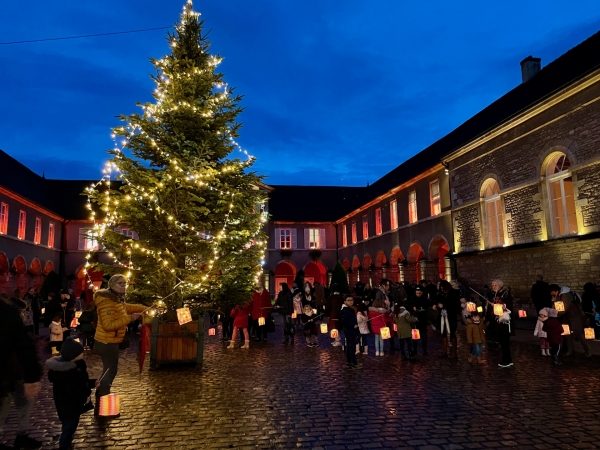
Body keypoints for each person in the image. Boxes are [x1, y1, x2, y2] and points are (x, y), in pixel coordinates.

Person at [93, 274, 146, 415]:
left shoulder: (116, 299)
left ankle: (101, 399)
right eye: (120, 283)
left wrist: (144, 308)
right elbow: (108, 325)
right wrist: (129, 319)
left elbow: (127, 307)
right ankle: (103, 401)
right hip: (106, 342)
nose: (123, 286)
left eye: (124, 283)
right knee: (110, 371)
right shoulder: (107, 302)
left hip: (112, 341)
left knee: (110, 370)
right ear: (112, 285)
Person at [0, 295, 43, 450]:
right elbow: (24, 345)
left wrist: (31, 376)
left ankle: (22, 435)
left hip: (15, 373)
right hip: (9, 374)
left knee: (23, 403)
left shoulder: (8, 314)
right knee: (4, 405)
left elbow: (25, 346)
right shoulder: (8, 315)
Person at [46, 337, 95, 450]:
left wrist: (92, 383)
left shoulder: (75, 367)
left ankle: (67, 442)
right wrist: (84, 399)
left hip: (69, 406)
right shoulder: (68, 373)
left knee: (70, 425)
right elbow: (72, 391)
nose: (83, 353)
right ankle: (64, 446)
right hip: (68, 407)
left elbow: (81, 382)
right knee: (69, 426)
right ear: (74, 355)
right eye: (80, 352)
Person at [549, 284, 591, 357]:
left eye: (551, 292)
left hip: (574, 317)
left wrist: (555, 314)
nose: (551, 294)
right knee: (566, 333)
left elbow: (563, 309)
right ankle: (570, 350)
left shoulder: (565, 296)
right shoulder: (559, 296)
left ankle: (587, 350)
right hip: (567, 317)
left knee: (578, 333)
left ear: (555, 291)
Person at [436, 280, 460, 358]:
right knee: (443, 333)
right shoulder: (441, 293)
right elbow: (437, 300)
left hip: (451, 316)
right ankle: (444, 351)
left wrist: (444, 305)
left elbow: (455, 305)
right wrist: (437, 305)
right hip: (443, 316)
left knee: (452, 332)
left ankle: (454, 352)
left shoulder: (454, 293)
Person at [406, 286, 430, 355]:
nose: (418, 294)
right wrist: (413, 308)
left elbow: (428, 306)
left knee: (423, 335)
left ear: (422, 292)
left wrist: (423, 309)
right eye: (417, 293)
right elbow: (408, 306)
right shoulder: (412, 299)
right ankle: (415, 349)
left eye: (420, 293)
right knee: (415, 335)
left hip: (423, 319)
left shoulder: (425, 299)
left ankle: (425, 350)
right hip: (415, 319)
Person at [339, 297, 362, 369]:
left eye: (352, 300)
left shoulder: (350, 308)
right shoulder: (346, 310)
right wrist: (352, 325)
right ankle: (354, 363)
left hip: (350, 330)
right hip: (349, 330)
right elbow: (343, 321)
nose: (351, 302)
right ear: (345, 301)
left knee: (349, 346)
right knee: (352, 347)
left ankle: (349, 362)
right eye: (349, 300)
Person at [496, 301, 513, 368]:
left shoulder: (505, 314)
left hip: (504, 332)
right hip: (503, 332)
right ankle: (509, 360)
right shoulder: (502, 314)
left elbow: (500, 320)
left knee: (505, 346)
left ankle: (506, 361)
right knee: (505, 347)